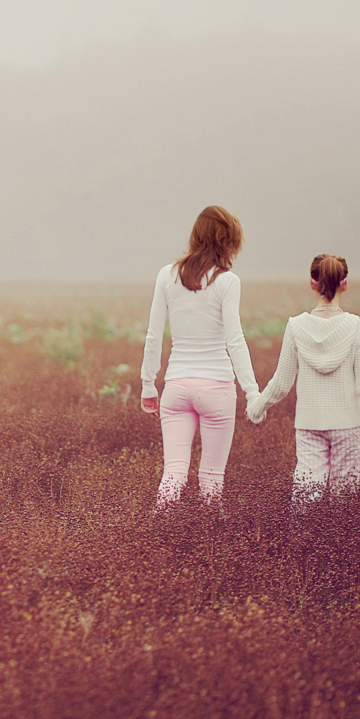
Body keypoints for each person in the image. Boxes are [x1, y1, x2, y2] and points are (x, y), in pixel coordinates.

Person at [140, 206, 261, 509]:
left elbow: (153, 335)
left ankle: (158, 535)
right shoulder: (227, 281)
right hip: (216, 388)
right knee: (211, 476)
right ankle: (209, 544)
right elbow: (235, 340)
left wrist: (147, 385)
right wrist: (252, 392)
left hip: (176, 388)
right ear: (228, 240)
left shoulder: (167, 276)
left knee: (173, 472)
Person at [247, 254, 360, 509]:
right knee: (344, 503)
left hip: (309, 424)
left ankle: (301, 546)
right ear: (345, 283)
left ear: (313, 283)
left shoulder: (296, 326)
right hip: (349, 425)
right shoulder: (358, 328)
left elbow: (281, 382)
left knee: (305, 497)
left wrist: (257, 408)